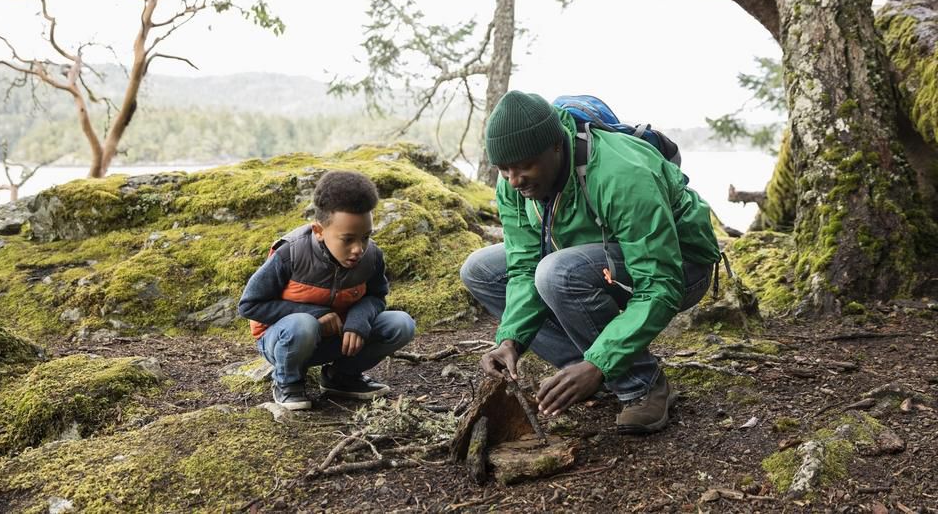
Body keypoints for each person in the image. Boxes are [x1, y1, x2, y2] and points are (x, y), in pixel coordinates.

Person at [461, 91, 720, 434]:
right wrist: (510, 339)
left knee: (556, 273)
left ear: (556, 146)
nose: (514, 179)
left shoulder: (621, 174)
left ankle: (640, 385)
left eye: (524, 166)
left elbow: (660, 283)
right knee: (480, 270)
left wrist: (599, 363)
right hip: (593, 256)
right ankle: (581, 372)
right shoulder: (512, 183)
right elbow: (523, 265)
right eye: (504, 169)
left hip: (681, 267)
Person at [238, 170, 416, 410]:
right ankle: (287, 382)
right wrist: (315, 314)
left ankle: (340, 377)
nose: (358, 249)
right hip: (285, 340)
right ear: (319, 231)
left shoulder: (371, 256)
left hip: (337, 338)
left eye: (365, 237)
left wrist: (358, 319)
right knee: (303, 324)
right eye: (347, 239)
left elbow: (376, 296)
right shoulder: (290, 254)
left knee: (401, 324)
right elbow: (249, 305)